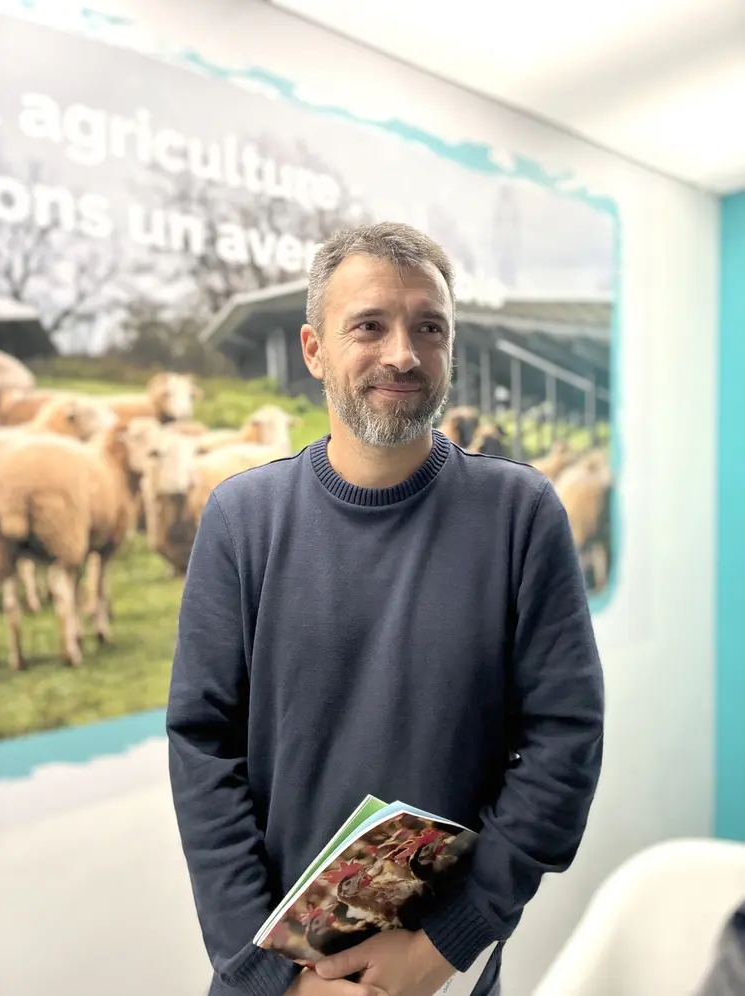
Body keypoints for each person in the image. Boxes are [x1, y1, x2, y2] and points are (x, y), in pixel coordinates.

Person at [166, 221, 605, 996]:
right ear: (313, 350)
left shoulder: (520, 514)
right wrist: (277, 977)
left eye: (428, 328)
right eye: (368, 326)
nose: (403, 353)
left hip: (435, 971)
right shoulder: (241, 518)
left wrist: (443, 944)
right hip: (276, 976)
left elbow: (563, 740)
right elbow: (203, 747)